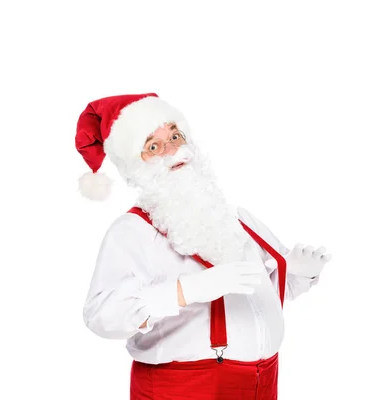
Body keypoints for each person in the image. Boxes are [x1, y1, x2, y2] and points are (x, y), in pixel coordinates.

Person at [75, 93, 332, 400]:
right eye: (153, 146)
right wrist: (185, 291)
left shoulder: (238, 219)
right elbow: (102, 317)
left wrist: (296, 277)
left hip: (264, 383)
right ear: (134, 166)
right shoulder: (132, 232)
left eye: (175, 134)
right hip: (186, 389)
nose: (173, 149)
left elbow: (257, 302)